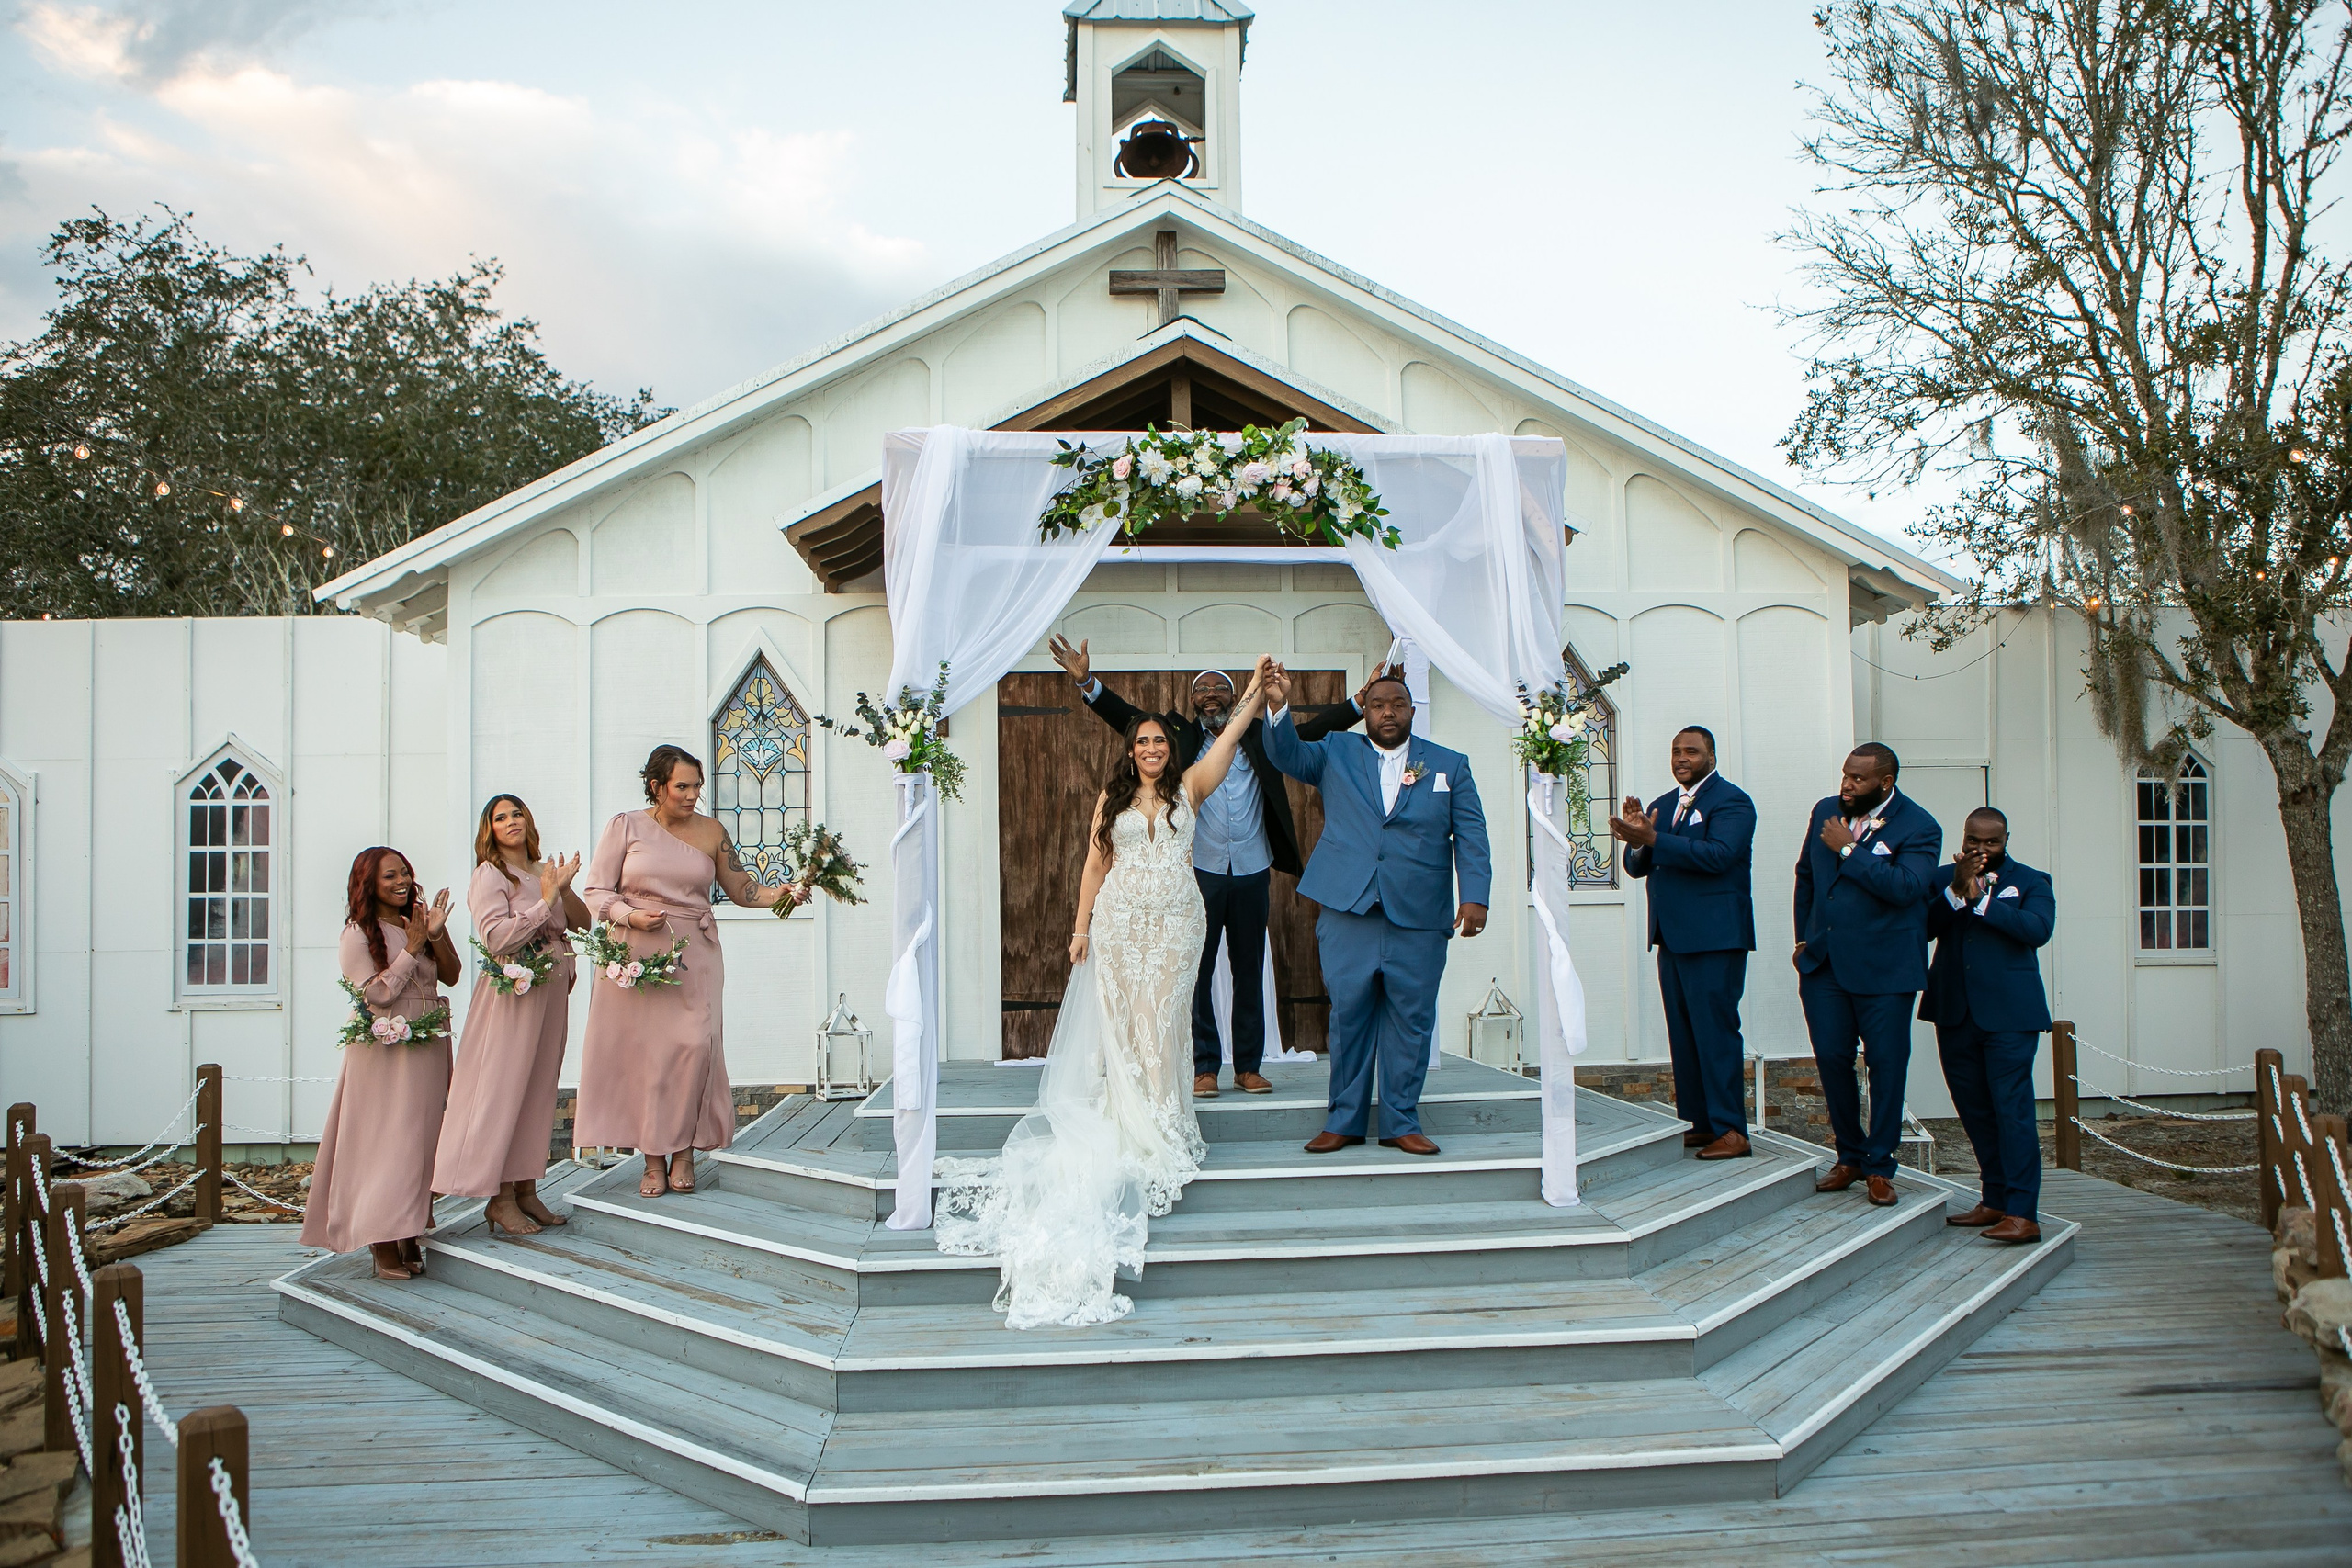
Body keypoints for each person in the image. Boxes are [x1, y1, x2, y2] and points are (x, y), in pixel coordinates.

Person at [936, 670, 1270, 1328]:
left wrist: (1256, 687)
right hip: (1118, 924)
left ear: (1171, 749)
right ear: (1130, 750)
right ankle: (1128, 1113)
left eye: (1158, 741)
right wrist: (1080, 926)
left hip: (1177, 923)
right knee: (1125, 1025)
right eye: (1141, 742)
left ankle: (1164, 1118)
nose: (1150, 749)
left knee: (1164, 1023)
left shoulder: (1192, 785)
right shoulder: (1109, 799)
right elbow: (1094, 863)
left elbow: (1232, 732)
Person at [1046, 634, 1375, 1098]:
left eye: (1220, 687)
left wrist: (1358, 703)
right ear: (1193, 702)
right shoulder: (1177, 741)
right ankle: (1204, 1066)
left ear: (1232, 694)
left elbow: (1312, 729)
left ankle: (1248, 1066)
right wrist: (1088, 684)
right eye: (1202, 689)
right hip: (1195, 873)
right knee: (1193, 971)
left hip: (1251, 866)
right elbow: (1131, 722)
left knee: (1249, 966)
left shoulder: (1259, 736)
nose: (1210, 695)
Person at [1258, 661, 1490, 1156]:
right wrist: (1278, 706)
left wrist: (1475, 896)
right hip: (1349, 908)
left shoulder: (1450, 764)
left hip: (1420, 914)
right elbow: (1285, 755)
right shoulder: (1337, 751)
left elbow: (1471, 835)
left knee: (1412, 1018)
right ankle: (1343, 1121)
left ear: (1412, 711)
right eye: (1378, 704)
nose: (1388, 712)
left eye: (1398, 704)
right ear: (1365, 709)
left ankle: (1401, 1121)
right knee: (1349, 1015)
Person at [575, 745, 808, 1201]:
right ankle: (653, 1158)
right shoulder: (625, 827)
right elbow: (595, 891)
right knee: (649, 1058)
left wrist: (781, 896)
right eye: (682, 786)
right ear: (656, 786)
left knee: (694, 1047)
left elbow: (741, 889)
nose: (692, 795)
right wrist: (627, 915)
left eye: (697, 786)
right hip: (635, 954)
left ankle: (684, 1152)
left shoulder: (712, 832)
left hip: (694, 954)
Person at [1792, 742, 1941, 1207]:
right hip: (1825, 967)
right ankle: (1849, 1155)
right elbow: (1807, 877)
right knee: (1833, 1061)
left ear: (1886, 783)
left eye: (1858, 779)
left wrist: (1852, 849)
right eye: (1845, 775)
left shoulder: (1919, 826)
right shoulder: (1825, 811)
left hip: (1886, 970)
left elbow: (1907, 888)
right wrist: (1803, 939)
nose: (1847, 785)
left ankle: (1880, 1165)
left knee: (1886, 1067)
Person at [432, 795, 588, 1235]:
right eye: (500, 817)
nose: (511, 821)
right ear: (490, 830)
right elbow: (497, 938)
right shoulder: (489, 874)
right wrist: (543, 903)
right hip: (513, 995)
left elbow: (582, 923)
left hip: (552, 993)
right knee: (505, 1088)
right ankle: (498, 1198)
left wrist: (563, 888)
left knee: (538, 1087)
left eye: (516, 813)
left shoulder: (543, 871)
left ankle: (526, 1189)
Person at [302, 846, 459, 1281]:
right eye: (390, 876)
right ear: (368, 884)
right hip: (385, 1049)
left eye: (405, 873)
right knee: (385, 1142)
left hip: (426, 1041)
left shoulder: (418, 921)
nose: (401, 881)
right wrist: (410, 949)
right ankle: (381, 1239)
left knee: (419, 1140)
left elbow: (451, 974)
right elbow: (376, 995)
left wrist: (435, 934)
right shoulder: (356, 933)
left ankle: (409, 1228)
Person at [1613, 726, 1758, 1160]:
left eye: (1691, 752)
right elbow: (1637, 866)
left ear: (1712, 756)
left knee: (1715, 1033)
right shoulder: (1661, 805)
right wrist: (1640, 842)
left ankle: (1732, 1129)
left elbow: (1718, 856)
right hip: (1671, 937)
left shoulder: (1732, 802)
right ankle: (1700, 1123)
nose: (1681, 758)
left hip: (1715, 936)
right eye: (1676, 751)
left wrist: (1654, 839)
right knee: (1684, 1033)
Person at [1920, 807, 2054, 1246]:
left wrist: (1981, 902)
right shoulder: (1944, 878)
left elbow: (2036, 929)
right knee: (1975, 1111)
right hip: (1955, 1012)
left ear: (2006, 840)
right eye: (1973, 841)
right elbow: (1920, 928)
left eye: (1991, 843)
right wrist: (1956, 894)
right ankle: (1993, 1199)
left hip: (2010, 1018)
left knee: (2011, 1113)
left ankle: (2022, 1213)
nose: (1981, 850)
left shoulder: (2033, 881)